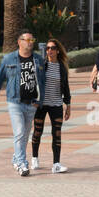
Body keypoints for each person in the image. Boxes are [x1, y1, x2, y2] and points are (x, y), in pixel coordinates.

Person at [0, 30, 46, 177]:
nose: (30, 43)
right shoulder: (9, 59)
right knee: (19, 132)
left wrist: (40, 101)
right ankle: (22, 164)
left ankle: (15, 158)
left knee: (25, 135)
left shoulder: (38, 59)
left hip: (31, 103)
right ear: (19, 42)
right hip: (15, 102)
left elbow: (42, 82)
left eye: (32, 40)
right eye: (27, 40)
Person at [30, 37, 71, 173]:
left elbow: (66, 88)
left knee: (57, 134)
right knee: (37, 132)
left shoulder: (62, 68)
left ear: (58, 51)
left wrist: (68, 105)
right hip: (41, 105)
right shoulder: (42, 65)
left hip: (56, 105)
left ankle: (56, 164)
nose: (49, 51)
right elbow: (34, 83)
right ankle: (34, 157)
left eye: (52, 48)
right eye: (47, 48)